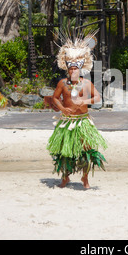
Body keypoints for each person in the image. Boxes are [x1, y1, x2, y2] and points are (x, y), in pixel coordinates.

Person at [47, 30, 107, 189]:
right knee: (65, 152)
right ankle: (65, 178)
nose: (73, 71)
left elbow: (98, 97)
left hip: (83, 121)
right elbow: (54, 98)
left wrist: (86, 101)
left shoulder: (86, 83)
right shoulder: (62, 83)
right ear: (67, 68)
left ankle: (85, 178)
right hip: (67, 121)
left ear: (80, 69)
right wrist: (62, 109)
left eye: (75, 69)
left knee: (87, 150)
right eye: (71, 69)